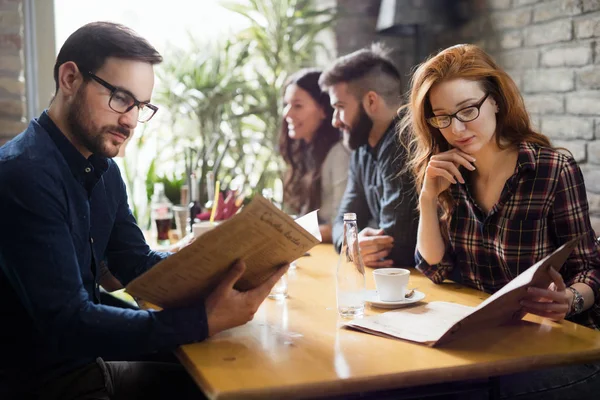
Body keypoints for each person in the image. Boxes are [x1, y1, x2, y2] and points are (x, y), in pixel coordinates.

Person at [0, 22, 287, 400]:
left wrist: (215, 265)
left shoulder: (103, 171)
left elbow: (134, 262)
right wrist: (203, 319)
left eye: (140, 106)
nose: (130, 120)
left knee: (245, 367)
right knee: (237, 387)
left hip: (86, 360)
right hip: (50, 383)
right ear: (69, 78)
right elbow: (70, 323)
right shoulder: (22, 174)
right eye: (120, 98)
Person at [403, 43, 600, 398]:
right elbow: (435, 268)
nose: (457, 128)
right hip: (489, 339)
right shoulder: (448, 173)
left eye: (468, 110)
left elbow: (591, 266)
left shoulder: (551, 169)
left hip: (562, 344)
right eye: (443, 117)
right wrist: (427, 197)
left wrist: (570, 298)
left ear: (495, 100)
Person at [319, 43, 418, 267]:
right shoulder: (362, 148)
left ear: (371, 101)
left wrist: (352, 244)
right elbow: (343, 222)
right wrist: (352, 243)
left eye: (340, 107)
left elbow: (394, 247)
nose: (335, 120)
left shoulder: (403, 143)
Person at [279, 68, 350, 242]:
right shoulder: (303, 153)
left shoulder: (339, 155)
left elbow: (343, 226)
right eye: (286, 105)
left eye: (298, 106)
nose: (287, 114)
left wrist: (283, 232)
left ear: (323, 110)